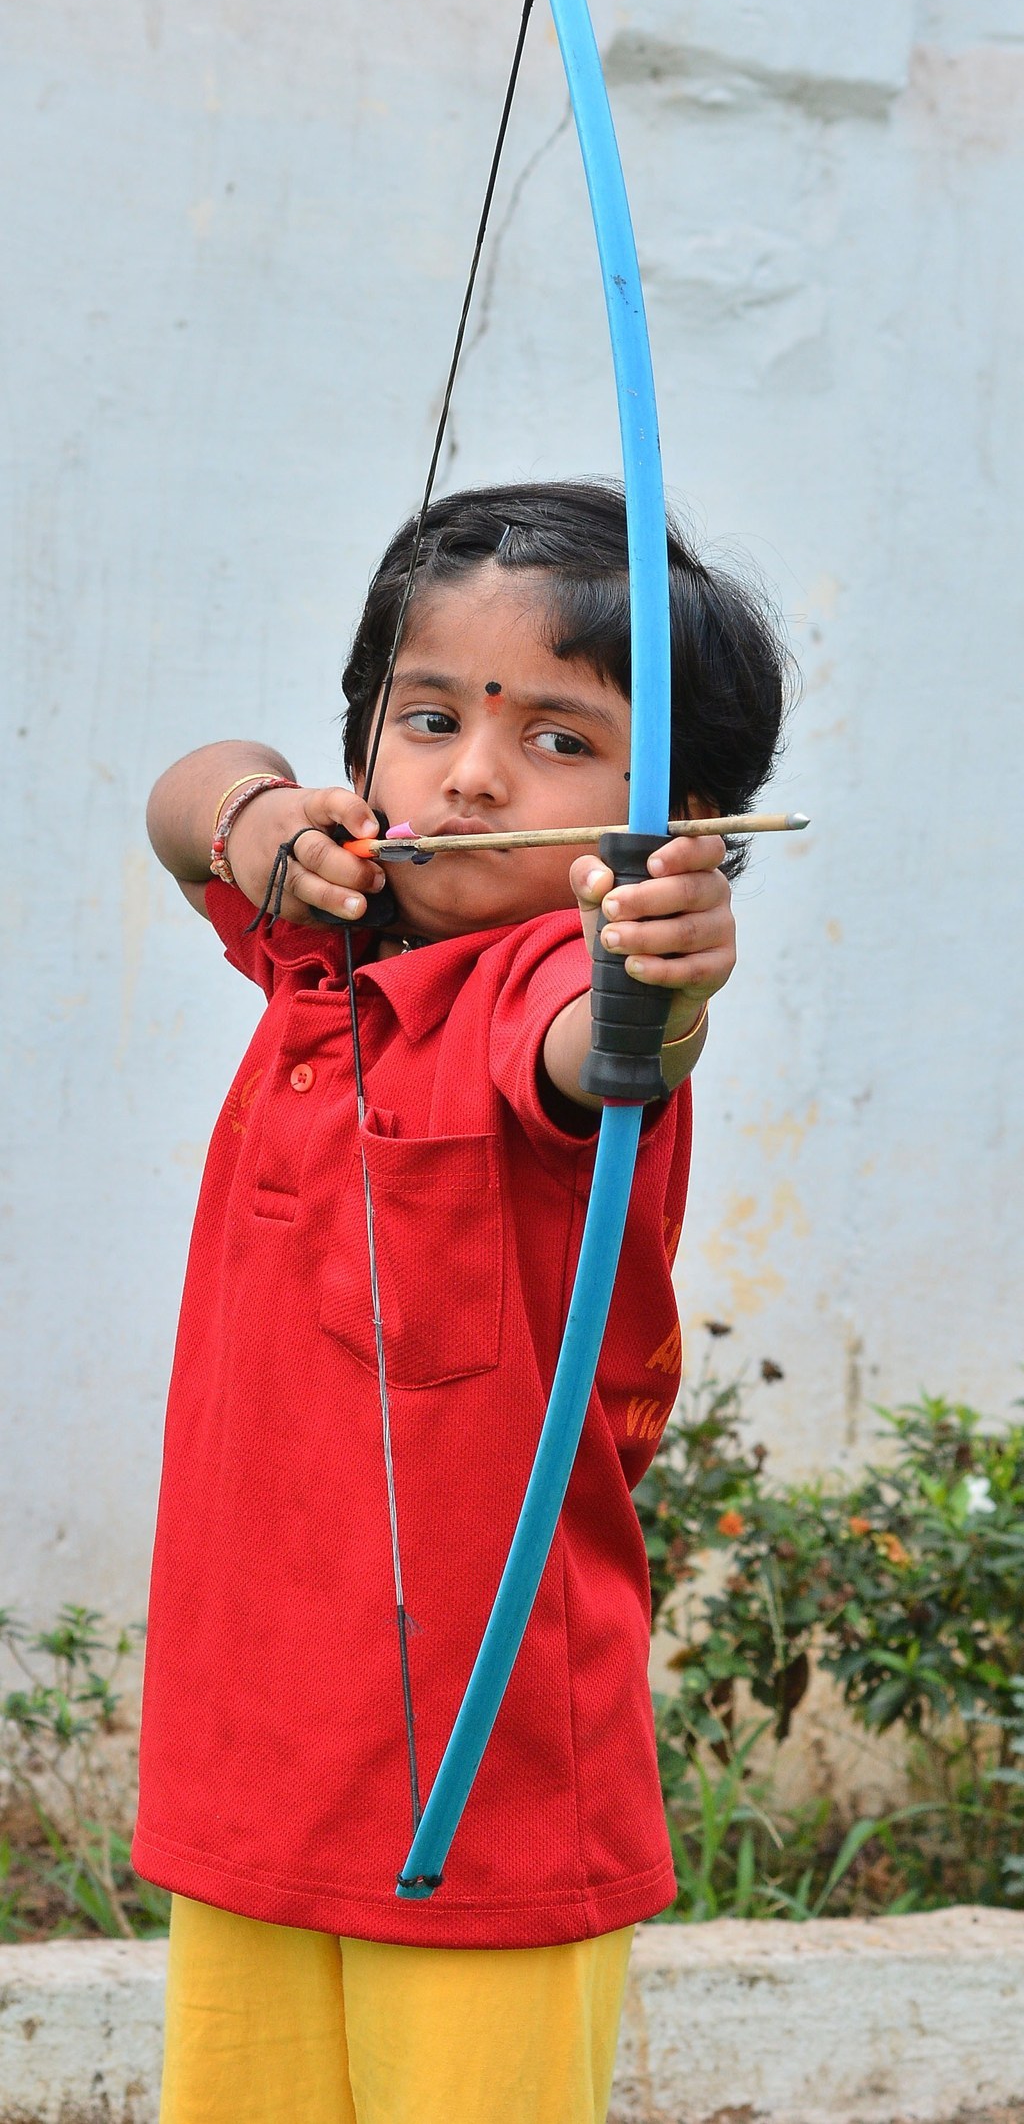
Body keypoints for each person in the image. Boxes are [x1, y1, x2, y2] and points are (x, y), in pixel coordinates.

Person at [134, 481, 788, 2124]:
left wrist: (660, 961)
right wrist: (258, 817)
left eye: (563, 743)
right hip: (256, 1768)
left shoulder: (549, 980)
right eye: (424, 718)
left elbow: (605, 1053)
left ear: (672, 823)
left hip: (480, 1786)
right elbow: (187, 788)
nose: (472, 774)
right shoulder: (321, 940)